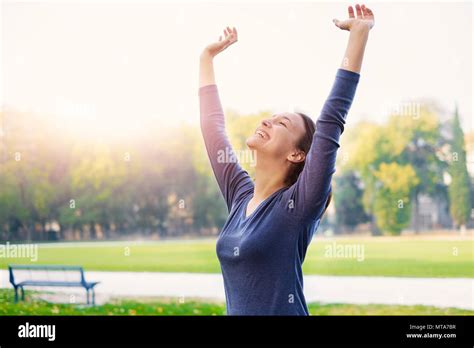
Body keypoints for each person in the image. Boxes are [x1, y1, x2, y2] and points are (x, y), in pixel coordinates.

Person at [199, 4, 375, 315]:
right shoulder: (240, 195)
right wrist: (206, 58)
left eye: (282, 124)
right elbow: (213, 129)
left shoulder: (298, 205)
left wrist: (358, 35)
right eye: (272, 117)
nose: (267, 121)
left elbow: (332, 119)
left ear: (297, 154)